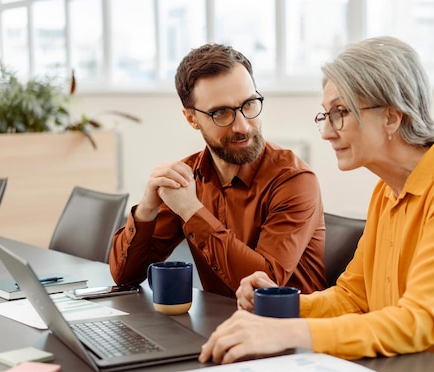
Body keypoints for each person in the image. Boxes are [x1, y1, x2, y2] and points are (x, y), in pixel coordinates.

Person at [198, 36, 434, 372]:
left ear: (392, 117)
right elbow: (354, 297)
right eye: (326, 115)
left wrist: (289, 332)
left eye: (340, 112)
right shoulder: (387, 192)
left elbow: (418, 321)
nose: (327, 133)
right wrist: (278, 306)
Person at [109, 43, 326, 297]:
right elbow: (125, 276)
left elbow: (264, 285)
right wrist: (147, 209)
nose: (243, 126)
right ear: (191, 118)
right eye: (221, 113)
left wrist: (191, 210)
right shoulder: (190, 176)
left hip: (289, 328)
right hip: (220, 326)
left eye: (249, 104)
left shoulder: (294, 180)